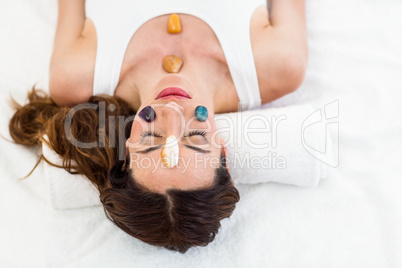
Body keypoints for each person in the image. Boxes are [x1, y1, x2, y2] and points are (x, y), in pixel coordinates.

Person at [9, 0, 307, 253]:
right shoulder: (278, 65)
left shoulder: (75, 77)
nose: (172, 112)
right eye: (195, 135)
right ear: (223, 152)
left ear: (126, 149)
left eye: (151, 137)